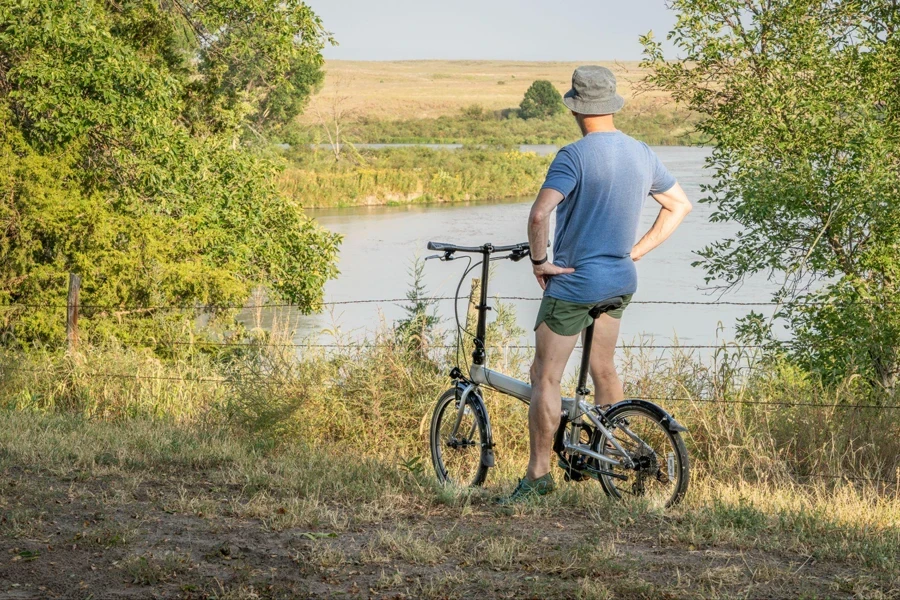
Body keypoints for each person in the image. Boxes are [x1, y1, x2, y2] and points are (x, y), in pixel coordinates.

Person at [501, 65, 692, 504]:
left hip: (574, 284)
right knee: (603, 369)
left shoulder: (574, 155)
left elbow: (538, 214)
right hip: (620, 281)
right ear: (611, 105)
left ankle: (537, 476)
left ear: (575, 109)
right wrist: (636, 252)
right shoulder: (642, 152)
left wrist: (540, 262)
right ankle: (606, 458)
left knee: (544, 376)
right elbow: (678, 206)